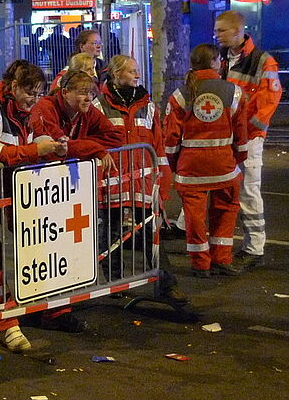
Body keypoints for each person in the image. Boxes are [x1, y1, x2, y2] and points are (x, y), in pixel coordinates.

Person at [0, 60, 67, 352]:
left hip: (1, 189)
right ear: (14, 86)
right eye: (30, 92)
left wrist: (54, 147)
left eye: (39, 93)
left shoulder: (23, 109)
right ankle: (5, 322)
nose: (35, 99)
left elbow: (34, 137)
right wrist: (35, 150)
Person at [29, 70, 122, 331]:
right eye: (82, 92)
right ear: (65, 92)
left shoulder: (85, 111)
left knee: (63, 249)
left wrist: (79, 145)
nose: (88, 98)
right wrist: (93, 148)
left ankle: (55, 309)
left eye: (91, 93)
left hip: (63, 190)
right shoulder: (45, 108)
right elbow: (57, 149)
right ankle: (48, 310)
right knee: (44, 251)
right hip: (39, 187)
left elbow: (115, 136)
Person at [164, 44, 248, 277]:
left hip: (191, 168)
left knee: (194, 217)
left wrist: (175, 164)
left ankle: (200, 263)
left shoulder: (180, 94)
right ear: (213, 62)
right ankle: (221, 258)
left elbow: (170, 138)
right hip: (224, 166)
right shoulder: (234, 92)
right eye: (219, 60)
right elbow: (241, 134)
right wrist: (238, 158)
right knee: (225, 211)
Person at [91, 55, 170, 281]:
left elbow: (158, 147)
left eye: (137, 70)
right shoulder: (99, 106)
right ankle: (114, 283)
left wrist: (162, 185)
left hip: (142, 186)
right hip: (110, 186)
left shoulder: (148, 107)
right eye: (131, 71)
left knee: (151, 234)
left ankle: (165, 282)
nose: (138, 75)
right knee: (110, 236)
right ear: (116, 74)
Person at [214, 10, 280, 270]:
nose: (217, 35)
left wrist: (245, 133)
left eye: (221, 30)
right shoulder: (221, 58)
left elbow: (267, 105)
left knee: (248, 191)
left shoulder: (263, 62)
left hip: (248, 139)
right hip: (226, 136)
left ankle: (254, 248)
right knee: (223, 188)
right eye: (216, 30)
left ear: (238, 31)